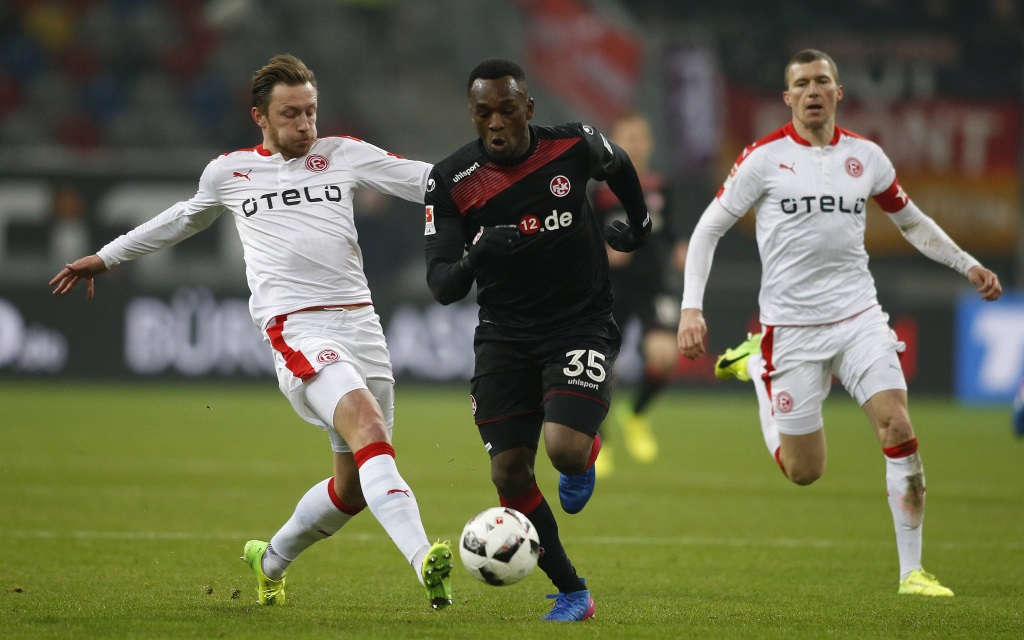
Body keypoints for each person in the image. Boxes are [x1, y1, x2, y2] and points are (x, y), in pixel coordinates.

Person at [49, 54, 454, 610]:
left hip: (361, 323)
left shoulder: (343, 155)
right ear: (260, 115)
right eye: (291, 114)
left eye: (311, 112)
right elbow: (183, 218)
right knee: (367, 423)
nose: (305, 125)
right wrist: (107, 257)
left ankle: (269, 560)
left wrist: (503, 181)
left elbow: (429, 181)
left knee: (354, 487)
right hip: (297, 327)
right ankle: (423, 560)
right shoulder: (230, 172)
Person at [676, 49, 1002, 597]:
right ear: (787, 98)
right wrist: (691, 307)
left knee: (897, 425)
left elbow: (912, 222)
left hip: (859, 318)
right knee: (805, 471)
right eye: (801, 83)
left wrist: (967, 263)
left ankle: (912, 573)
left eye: (821, 81)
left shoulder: (867, 157)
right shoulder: (762, 158)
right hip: (793, 330)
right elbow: (707, 230)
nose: (812, 91)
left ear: (838, 92)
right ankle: (760, 367)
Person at [423, 58, 650, 621]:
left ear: (528, 107)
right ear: (472, 115)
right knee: (509, 472)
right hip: (504, 334)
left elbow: (618, 166)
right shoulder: (450, 181)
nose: (496, 123)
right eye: (484, 113)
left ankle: (586, 451)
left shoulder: (572, 145)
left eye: (506, 109)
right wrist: (480, 253)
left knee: (564, 449)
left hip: (580, 322)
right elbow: (443, 286)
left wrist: (639, 222)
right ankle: (574, 590)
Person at [591, 113, 688, 474]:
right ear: (613, 141)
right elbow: (580, 239)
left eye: (641, 136)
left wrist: (681, 246)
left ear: (650, 144)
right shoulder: (597, 191)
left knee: (664, 356)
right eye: (627, 136)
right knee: (601, 366)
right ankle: (601, 441)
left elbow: (670, 229)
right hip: (612, 286)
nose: (635, 143)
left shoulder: (661, 186)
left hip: (653, 283)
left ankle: (636, 415)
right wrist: (604, 251)